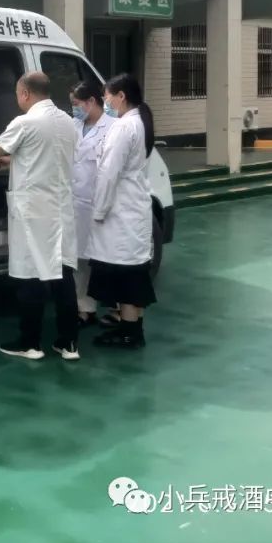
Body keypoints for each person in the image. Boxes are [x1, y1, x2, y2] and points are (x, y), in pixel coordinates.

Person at [0, 71, 80, 361]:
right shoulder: (67, 122)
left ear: (25, 93)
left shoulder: (25, 122)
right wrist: (6, 160)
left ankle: (29, 343)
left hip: (33, 212)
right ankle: (69, 343)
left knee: (30, 277)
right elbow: (37, 155)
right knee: (63, 276)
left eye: (17, 94)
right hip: (60, 210)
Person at [87, 73, 156, 349]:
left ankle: (129, 332)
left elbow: (108, 174)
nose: (105, 101)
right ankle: (133, 327)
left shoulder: (123, 127)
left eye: (107, 96)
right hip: (133, 207)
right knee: (134, 273)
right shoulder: (139, 121)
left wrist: (99, 211)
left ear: (121, 96)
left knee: (126, 276)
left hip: (120, 210)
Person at [68, 80, 117, 326]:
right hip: (77, 202)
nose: (74, 109)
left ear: (91, 101)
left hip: (102, 203)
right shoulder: (74, 125)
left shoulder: (113, 128)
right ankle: (84, 309)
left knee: (107, 259)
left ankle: (117, 308)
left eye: (76, 104)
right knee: (79, 259)